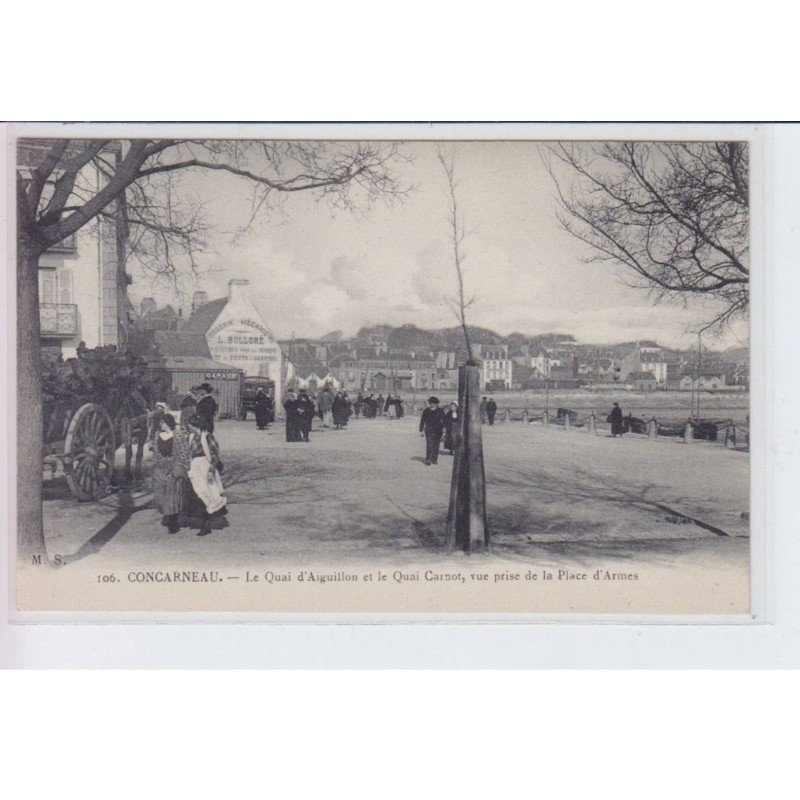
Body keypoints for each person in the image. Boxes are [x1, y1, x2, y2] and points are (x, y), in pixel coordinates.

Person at [186, 414, 227, 536]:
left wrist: (211, 470)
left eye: (190, 424)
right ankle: (205, 522)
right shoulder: (191, 437)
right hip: (195, 467)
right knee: (199, 494)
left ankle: (206, 524)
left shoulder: (207, 436)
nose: (188, 426)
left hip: (204, 466)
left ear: (196, 425)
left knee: (207, 493)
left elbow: (214, 455)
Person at [151, 413, 184, 534]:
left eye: (163, 423)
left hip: (173, 464)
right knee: (162, 493)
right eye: (160, 423)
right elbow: (155, 452)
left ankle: (173, 521)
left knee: (173, 494)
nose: (161, 425)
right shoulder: (157, 435)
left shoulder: (178, 435)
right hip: (161, 465)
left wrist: (178, 467)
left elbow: (183, 452)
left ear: (169, 424)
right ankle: (168, 515)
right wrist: (156, 465)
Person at [419, 396, 446, 465]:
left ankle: (435, 459)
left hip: (438, 430)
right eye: (431, 403)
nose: (432, 404)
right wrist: (421, 430)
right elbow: (422, 421)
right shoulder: (426, 411)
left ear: (436, 403)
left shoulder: (440, 411)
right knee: (429, 445)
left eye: (434, 403)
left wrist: (444, 430)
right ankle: (428, 459)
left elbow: (444, 421)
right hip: (428, 430)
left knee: (436, 445)